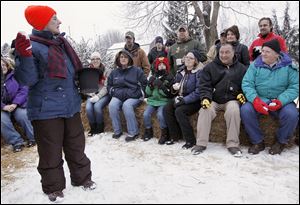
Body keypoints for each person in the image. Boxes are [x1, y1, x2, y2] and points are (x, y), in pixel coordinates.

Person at [14, 5, 96, 202]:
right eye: (54, 19)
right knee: (50, 151)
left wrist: (88, 80)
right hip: (46, 109)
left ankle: (82, 178)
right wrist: (24, 58)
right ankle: (54, 187)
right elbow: (27, 80)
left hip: (70, 105)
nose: (59, 22)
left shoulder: (61, 43)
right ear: (42, 23)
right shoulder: (31, 47)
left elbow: (70, 74)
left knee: (76, 145)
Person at [241, 39, 299, 155]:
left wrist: (281, 100)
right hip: (260, 98)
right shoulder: (255, 66)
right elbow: (247, 83)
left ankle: (281, 141)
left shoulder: (289, 67)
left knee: (292, 114)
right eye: (262, 51)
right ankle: (257, 141)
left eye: (267, 51)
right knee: (245, 110)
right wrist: (255, 99)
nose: (263, 53)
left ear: (277, 54)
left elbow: (295, 86)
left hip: (282, 101)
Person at [192, 43, 247, 157]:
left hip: (232, 99)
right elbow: (204, 85)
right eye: (221, 52)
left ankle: (232, 144)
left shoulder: (241, 69)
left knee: (234, 111)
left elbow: (246, 85)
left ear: (233, 53)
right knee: (205, 110)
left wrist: (242, 94)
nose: (224, 55)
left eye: (227, 52)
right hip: (214, 99)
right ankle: (201, 143)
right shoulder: (210, 67)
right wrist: (206, 98)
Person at [163, 50, 202, 149]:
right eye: (187, 57)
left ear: (196, 61)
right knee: (167, 108)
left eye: (191, 58)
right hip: (181, 97)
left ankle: (190, 140)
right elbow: (174, 87)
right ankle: (175, 136)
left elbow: (198, 92)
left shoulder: (199, 72)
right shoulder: (180, 71)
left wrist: (184, 100)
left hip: (194, 100)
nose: (188, 59)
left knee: (180, 111)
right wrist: (174, 88)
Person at [107, 49, 148, 142]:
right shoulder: (114, 72)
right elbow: (109, 85)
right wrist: (112, 91)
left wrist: (140, 93)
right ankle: (117, 131)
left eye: (125, 57)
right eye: (121, 57)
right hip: (118, 94)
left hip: (133, 95)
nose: (123, 59)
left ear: (129, 59)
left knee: (127, 105)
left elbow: (145, 84)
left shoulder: (137, 71)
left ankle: (134, 132)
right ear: (118, 59)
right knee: (112, 105)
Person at [1, 57, 36, 152]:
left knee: (23, 115)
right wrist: (4, 106)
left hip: (17, 104)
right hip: (3, 107)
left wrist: (15, 103)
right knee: (2, 120)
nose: (2, 67)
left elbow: (23, 90)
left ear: (8, 65)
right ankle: (16, 142)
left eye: (3, 65)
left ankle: (33, 138)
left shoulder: (15, 75)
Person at [142, 57, 173, 143]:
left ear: (166, 66)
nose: (161, 66)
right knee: (146, 114)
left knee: (160, 115)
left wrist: (161, 87)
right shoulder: (153, 76)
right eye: (159, 65)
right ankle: (148, 130)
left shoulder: (169, 77)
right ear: (156, 67)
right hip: (152, 101)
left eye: (163, 65)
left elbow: (169, 94)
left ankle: (164, 133)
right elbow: (147, 93)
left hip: (163, 101)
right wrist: (150, 85)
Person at [85, 51, 111, 136]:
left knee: (97, 106)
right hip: (92, 94)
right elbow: (86, 85)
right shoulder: (88, 71)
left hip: (103, 94)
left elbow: (106, 86)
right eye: (93, 59)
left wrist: (98, 96)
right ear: (91, 61)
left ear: (100, 60)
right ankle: (93, 127)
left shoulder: (106, 71)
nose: (95, 61)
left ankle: (100, 127)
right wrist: (90, 93)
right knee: (88, 108)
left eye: (97, 59)